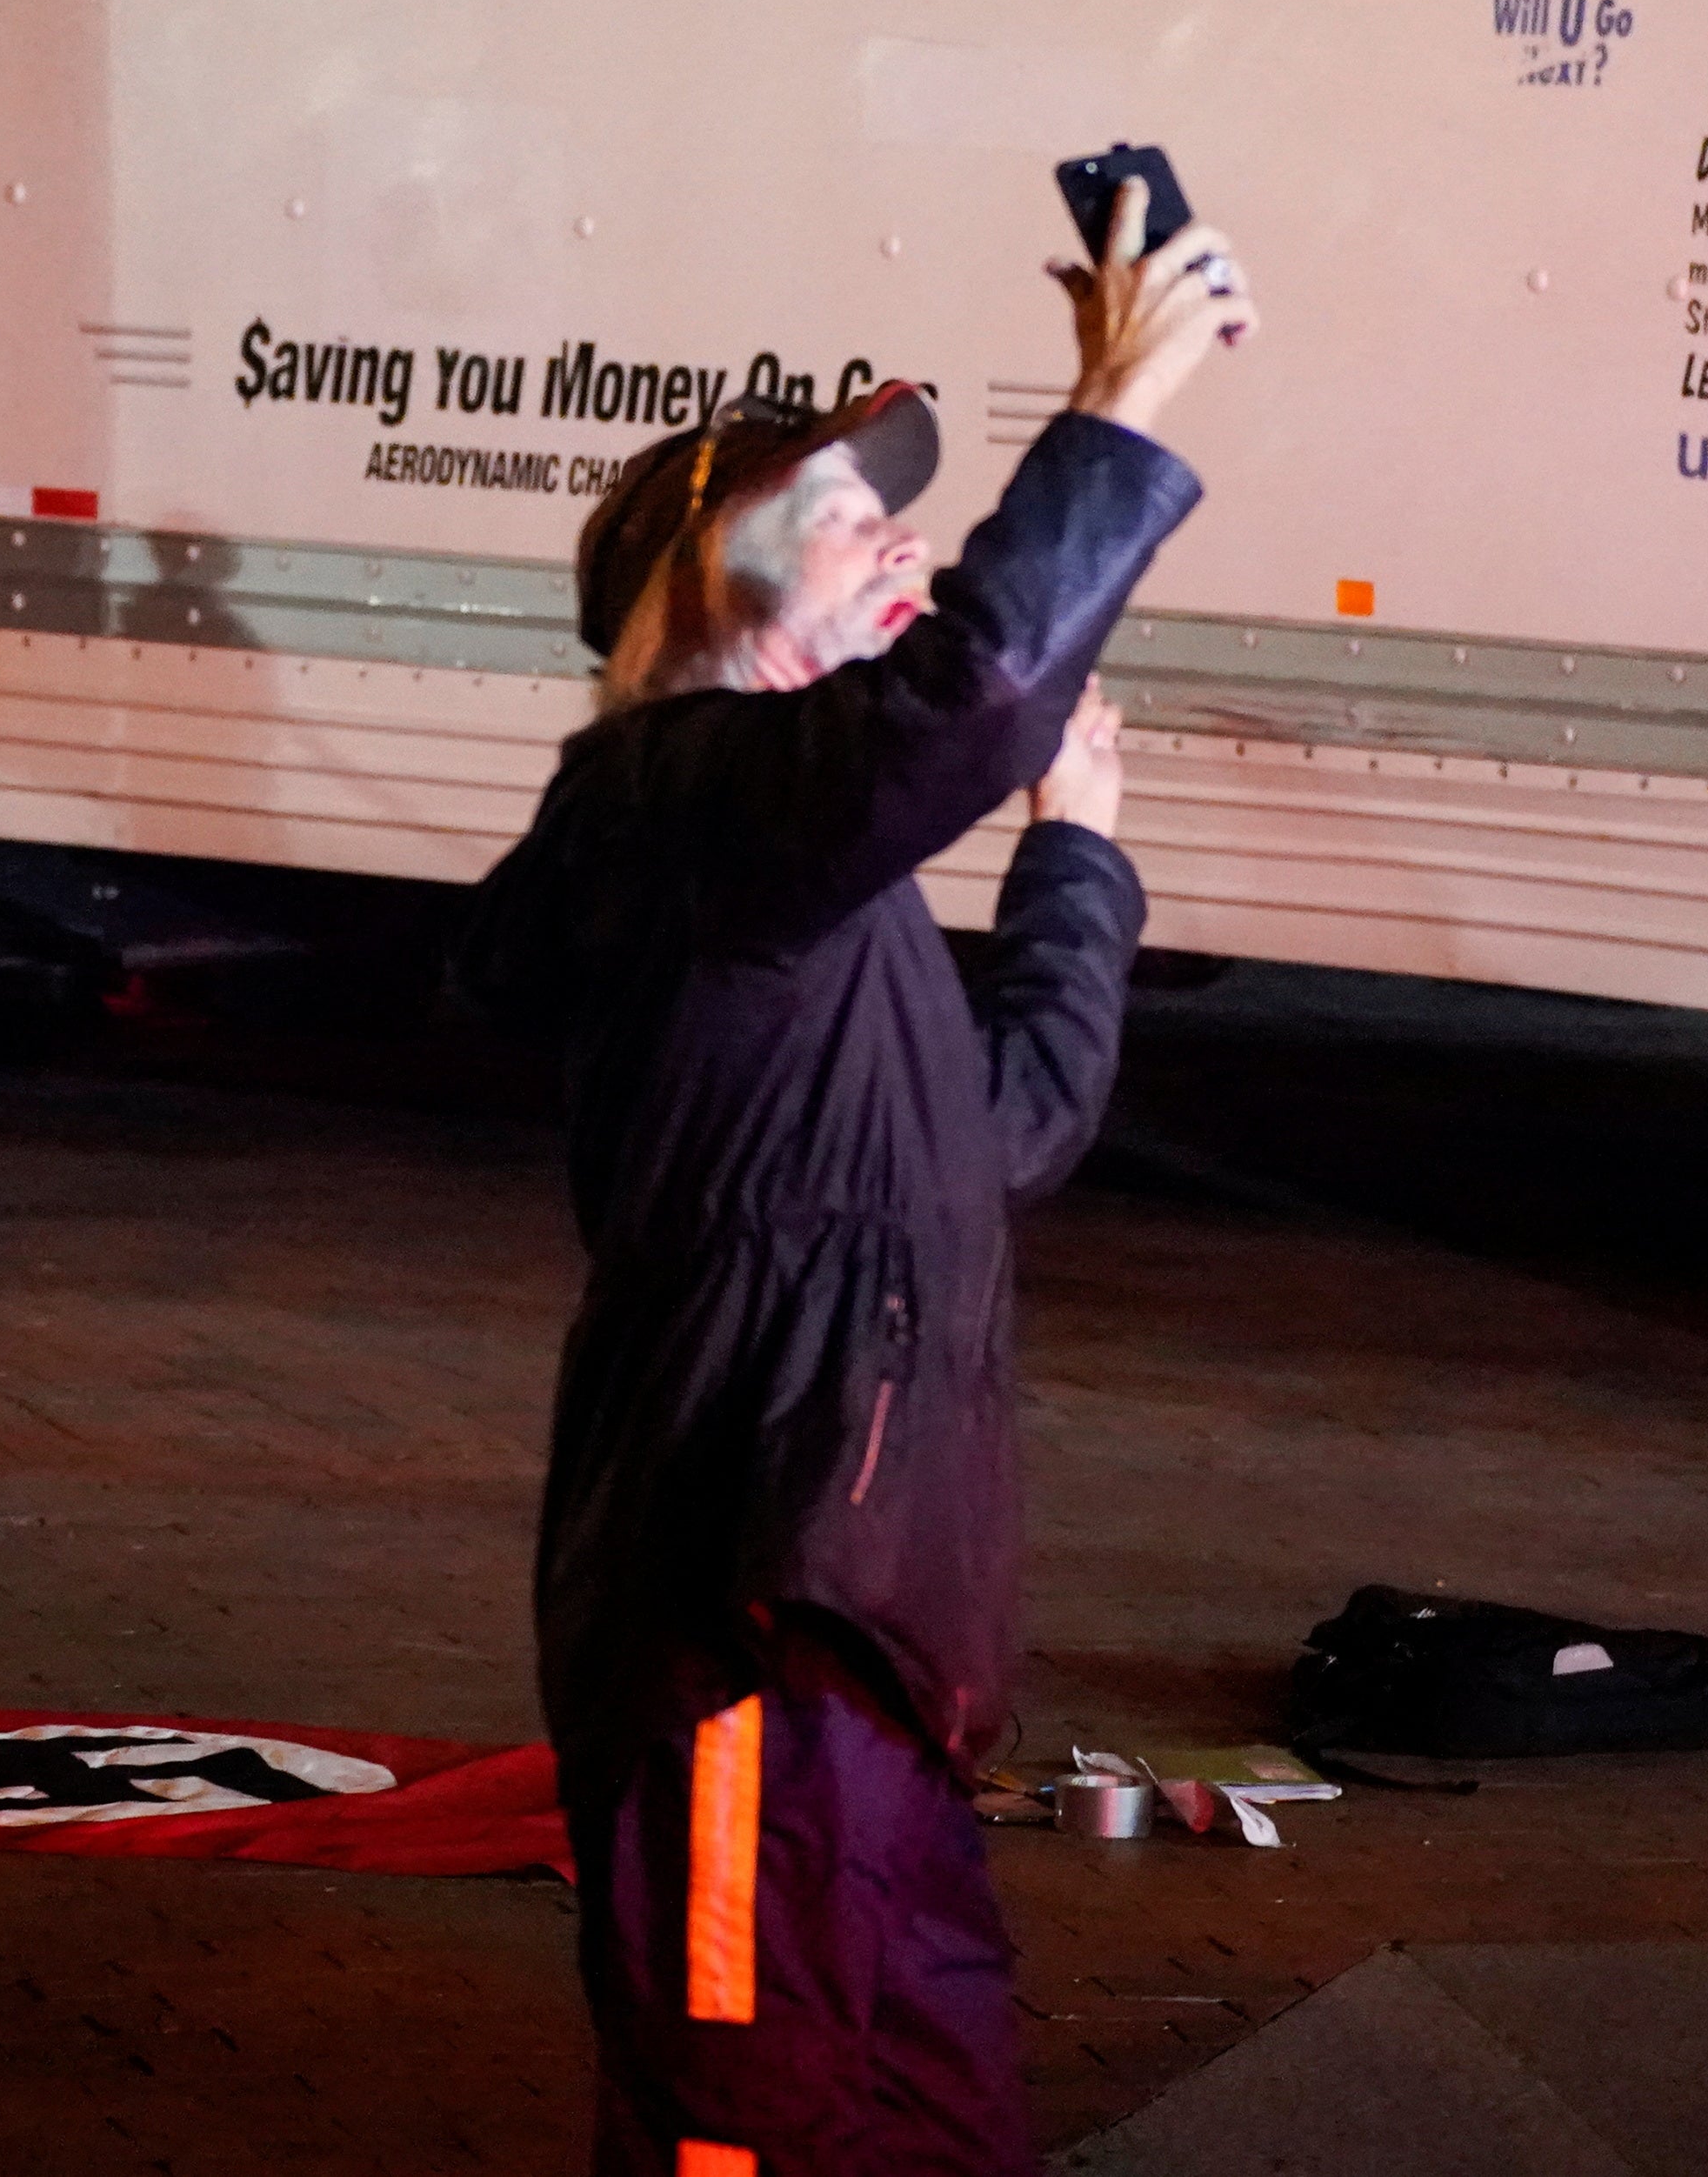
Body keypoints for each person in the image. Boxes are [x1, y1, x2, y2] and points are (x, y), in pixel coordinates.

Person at [464, 190, 1250, 2174]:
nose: (898, 531)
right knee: (745, 2114)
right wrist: (1120, 397)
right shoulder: (670, 804)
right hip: (753, 1627)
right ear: (694, 570)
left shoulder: (812, 884)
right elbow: (968, 692)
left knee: (923, 2120)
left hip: (881, 1661)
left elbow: (1006, 1134)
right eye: (848, 507)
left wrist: (1071, 859)